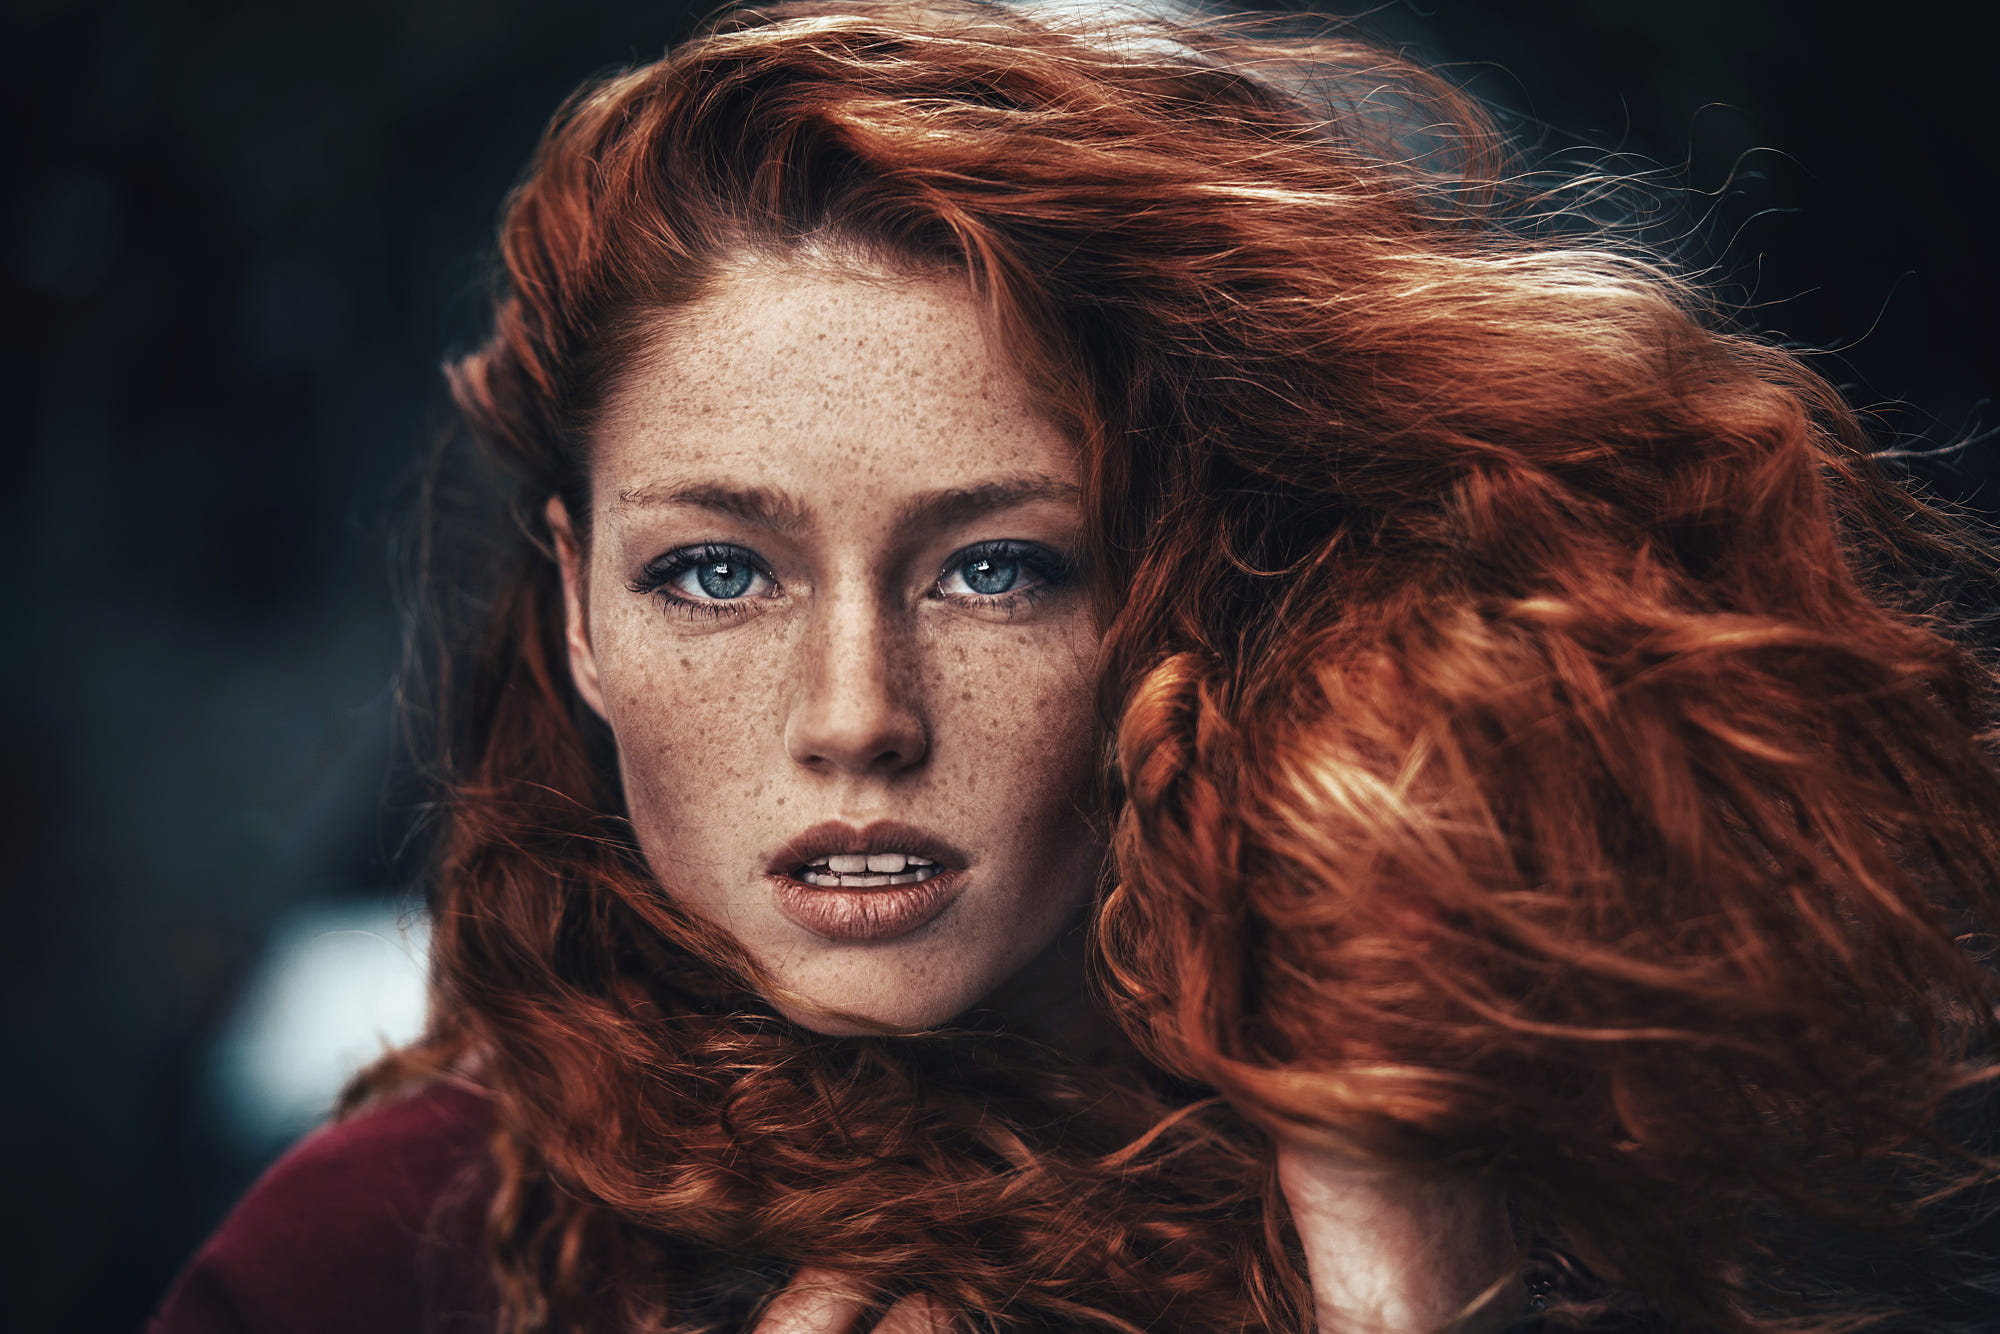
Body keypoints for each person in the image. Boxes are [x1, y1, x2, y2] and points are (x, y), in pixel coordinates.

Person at [150, 2, 2000, 1331]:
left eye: (995, 569)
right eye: (717, 570)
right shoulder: (380, 1255)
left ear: (1168, 607)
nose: (857, 715)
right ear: (579, 615)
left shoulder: (1566, 1181)